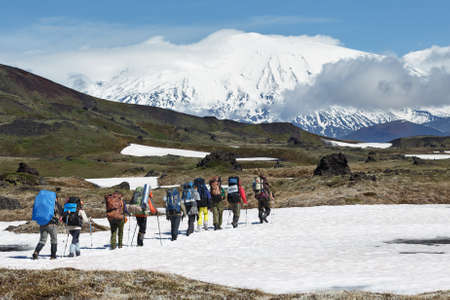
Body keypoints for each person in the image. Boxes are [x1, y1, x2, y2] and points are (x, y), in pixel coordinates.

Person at [32, 192, 63, 260]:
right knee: (54, 240)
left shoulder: (43, 204)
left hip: (42, 224)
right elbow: (62, 212)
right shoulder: (55, 204)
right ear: (56, 199)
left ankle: (36, 252)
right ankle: (53, 255)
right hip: (52, 225)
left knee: (42, 240)